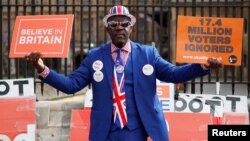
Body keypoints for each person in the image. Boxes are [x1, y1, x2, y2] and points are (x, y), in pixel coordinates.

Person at [25, 5, 222, 141]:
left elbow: (173, 74)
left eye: (124, 23)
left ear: (131, 27)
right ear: (107, 28)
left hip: (136, 131)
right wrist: (43, 69)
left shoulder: (148, 54)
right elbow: (71, 86)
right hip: (106, 132)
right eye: (113, 23)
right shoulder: (95, 57)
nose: (119, 27)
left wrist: (202, 66)